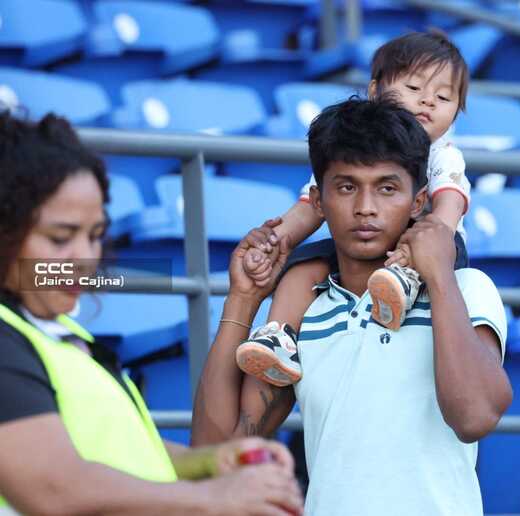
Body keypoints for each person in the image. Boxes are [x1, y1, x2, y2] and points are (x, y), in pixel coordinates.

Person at [192, 97, 513, 516]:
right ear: (318, 202)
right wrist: (244, 298)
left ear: (419, 202)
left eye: (387, 188)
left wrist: (439, 276)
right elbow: (215, 456)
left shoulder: (467, 289)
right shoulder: (301, 310)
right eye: (346, 187)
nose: (365, 207)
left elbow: (475, 419)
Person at [0, 112, 303, 516]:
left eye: (95, 235)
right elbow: (53, 488)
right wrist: (214, 498)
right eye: (60, 238)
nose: (84, 257)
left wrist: (210, 462)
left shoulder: (53, 330)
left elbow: (121, 457)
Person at [235, 31, 471, 387]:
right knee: (303, 266)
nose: (427, 102)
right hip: (363, 243)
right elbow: (308, 209)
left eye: (443, 97)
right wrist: (273, 242)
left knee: (430, 247)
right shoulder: (349, 150)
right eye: (413, 88)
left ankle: (401, 286)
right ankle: (279, 337)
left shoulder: (444, 155)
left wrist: (421, 250)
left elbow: (448, 209)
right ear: (375, 91)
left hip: (436, 247)